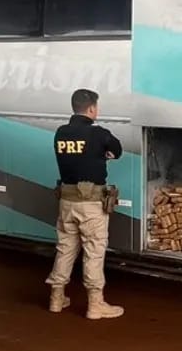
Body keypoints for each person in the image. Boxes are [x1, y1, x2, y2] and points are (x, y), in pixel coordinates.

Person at [46, 88, 125, 320]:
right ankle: (95, 304)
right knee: (93, 251)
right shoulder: (99, 134)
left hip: (66, 202)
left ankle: (56, 298)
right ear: (91, 108)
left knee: (65, 249)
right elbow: (117, 150)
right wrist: (103, 154)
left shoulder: (61, 133)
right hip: (91, 205)